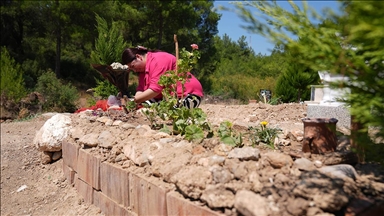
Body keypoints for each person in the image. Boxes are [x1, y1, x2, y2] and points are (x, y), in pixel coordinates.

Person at [121, 46, 204, 108]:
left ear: (139, 57)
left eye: (133, 66)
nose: (134, 70)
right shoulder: (143, 69)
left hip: (188, 95)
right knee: (143, 107)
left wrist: (134, 101)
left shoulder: (158, 60)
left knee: (170, 113)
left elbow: (155, 90)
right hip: (167, 98)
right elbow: (141, 90)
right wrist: (134, 102)